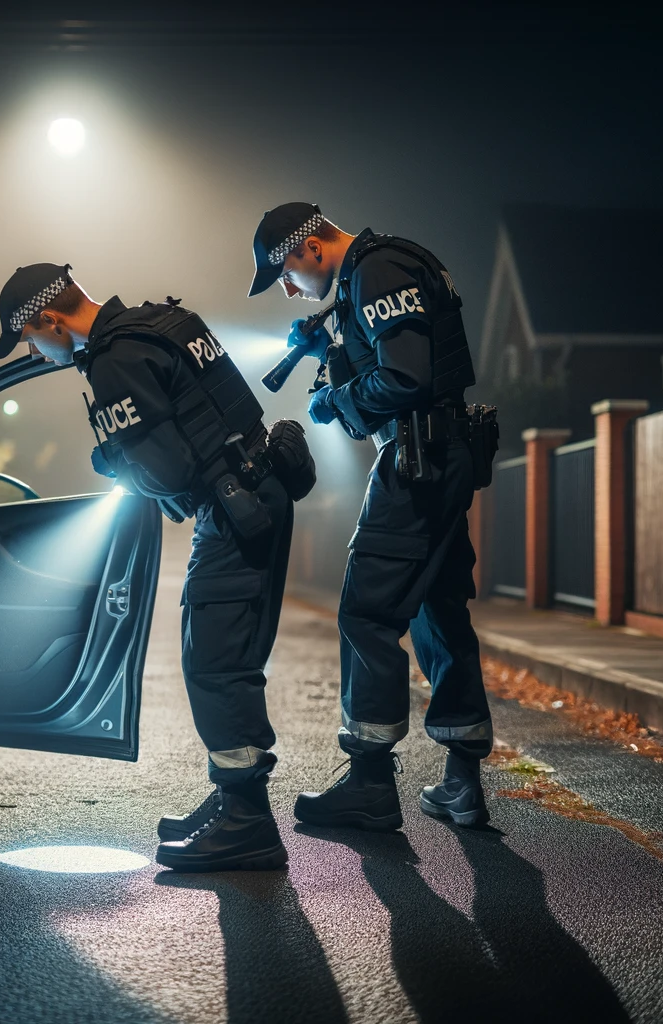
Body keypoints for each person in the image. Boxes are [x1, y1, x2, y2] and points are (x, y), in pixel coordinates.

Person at [0, 263, 316, 871]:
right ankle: (232, 796)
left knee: (216, 662)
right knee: (230, 654)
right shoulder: (164, 322)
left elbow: (166, 472)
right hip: (259, 487)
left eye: (32, 340)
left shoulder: (115, 360)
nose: (36, 354)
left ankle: (247, 820)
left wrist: (111, 460)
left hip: (232, 508)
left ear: (50, 320)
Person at [247, 202, 494, 828]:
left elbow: (405, 378)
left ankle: (370, 782)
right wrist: (329, 354)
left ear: (309, 246)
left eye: (283, 272)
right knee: (438, 609)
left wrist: (333, 398)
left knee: (366, 613)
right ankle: (463, 780)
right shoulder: (373, 274)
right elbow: (397, 363)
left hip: (418, 458)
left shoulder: (378, 271)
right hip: (438, 453)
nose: (287, 288)